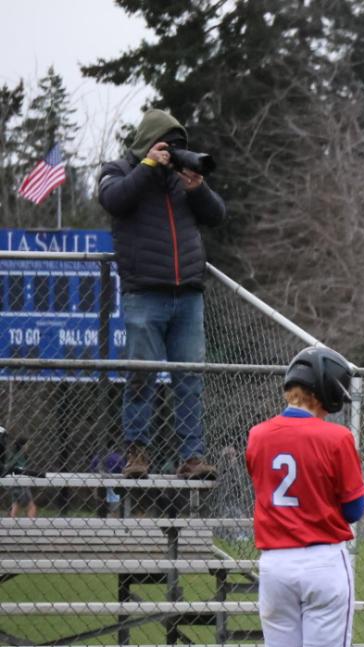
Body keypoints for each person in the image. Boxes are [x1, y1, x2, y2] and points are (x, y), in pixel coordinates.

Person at [219, 345, 364, 647]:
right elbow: (355, 508)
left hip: (275, 565)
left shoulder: (258, 434)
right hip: (323, 560)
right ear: (323, 390)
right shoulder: (336, 437)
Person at [98, 108, 227, 480]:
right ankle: (136, 453)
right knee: (142, 375)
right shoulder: (120, 169)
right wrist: (148, 166)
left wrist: (198, 187)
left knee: (190, 378)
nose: (173, 152)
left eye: (177, 146)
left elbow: (217, 215)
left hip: (187, 294)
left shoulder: (181, 179)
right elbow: (113, 200)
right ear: (148, 143)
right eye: (166, 144)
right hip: (144, 292)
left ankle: (192, 458)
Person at [6, 436, 37, 518]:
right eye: (27, 445)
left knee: (15, 505)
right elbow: (20, 469)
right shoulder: (20, 456)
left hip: (12, 483)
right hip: (21, 483)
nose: (28, 447)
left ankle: (12, 524)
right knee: (32, 507)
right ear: (23, 445)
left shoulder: (14, 454)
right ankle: (31, 525)